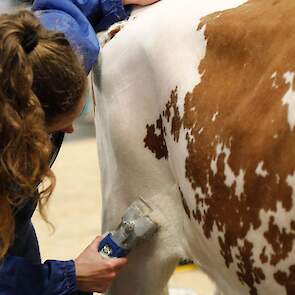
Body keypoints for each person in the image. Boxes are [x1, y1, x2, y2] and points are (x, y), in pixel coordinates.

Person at [0, 0, 159, 294]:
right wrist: (69, 275)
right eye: (61, 127)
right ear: (28, 120)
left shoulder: (41, 53)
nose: (72, 130)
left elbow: (67, 7)